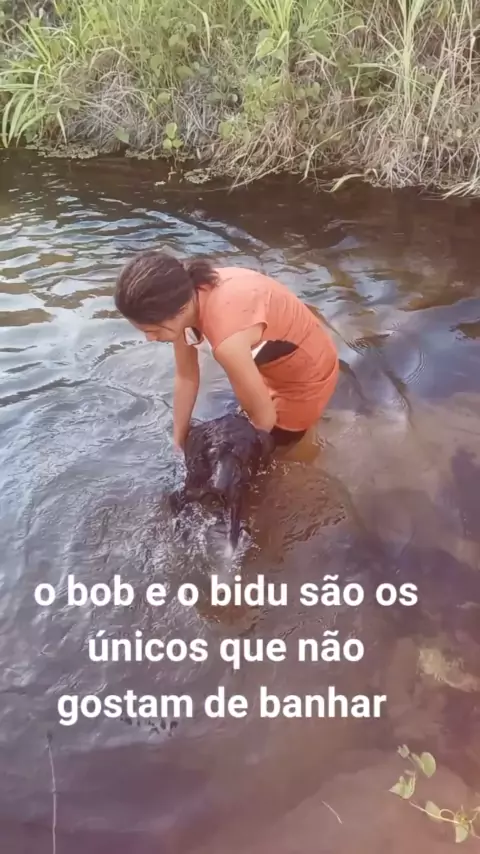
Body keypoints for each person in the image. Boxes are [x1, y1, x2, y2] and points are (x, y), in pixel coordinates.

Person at [113, 251, 339, 452]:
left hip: (309, 376)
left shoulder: (227, 342)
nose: (149, 339)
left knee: (274, 454)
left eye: (152, 330)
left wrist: (248, 457)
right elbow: (186, 375)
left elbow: (264, 419)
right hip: (287, 353)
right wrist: (179, 441)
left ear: (178, 310)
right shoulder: (189, 293)